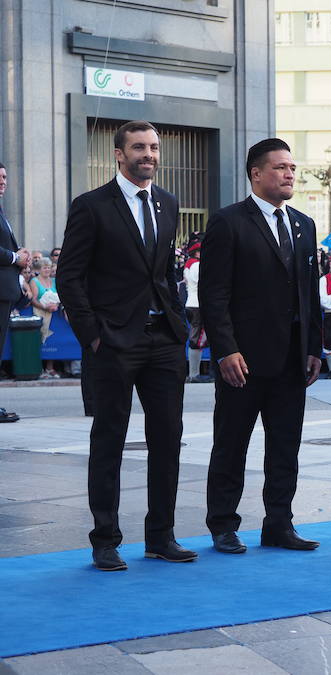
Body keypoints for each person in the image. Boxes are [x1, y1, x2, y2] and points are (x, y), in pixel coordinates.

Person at [56, 120, 194, 570]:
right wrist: (92, 336)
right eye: (139, 147)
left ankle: (161, 536)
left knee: (168, 439)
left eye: (153, 147)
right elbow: (69, 277)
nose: (149, 154)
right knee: (109, 440)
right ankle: (105, 540)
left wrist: (177, 318)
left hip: (163, 340)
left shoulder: (168, 204)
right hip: (112, 342)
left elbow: (164, 272)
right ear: (119, 154)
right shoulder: (92, 206)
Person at [200, 138, 323, 555]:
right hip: (244, 360)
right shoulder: (229, 222)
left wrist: (314, 348)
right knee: (231, 444)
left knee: (285, 447)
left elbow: (310, 293)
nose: (290, 174)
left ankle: (279, 524)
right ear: (256, 173)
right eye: (280, 167)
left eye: (292, 167)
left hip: (292, 358)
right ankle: (222, 524)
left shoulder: (304, 224)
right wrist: (225, 350)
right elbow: (213, 294)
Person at [0, 161, 30, 422]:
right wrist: (14, 257)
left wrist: (20, 257)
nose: (3, 181)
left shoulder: (2, 211)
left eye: (5, 176)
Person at [183, 241, 210, 383]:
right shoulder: (197, 265)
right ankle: (194, 374)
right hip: (197, 304)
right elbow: (205, 283)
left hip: (191, 303)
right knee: (197, 339)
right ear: (197, 253)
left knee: (197, 339)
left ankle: (194, 373)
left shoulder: (188, 265)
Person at [30, 258, 62, 378]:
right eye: (44, 267)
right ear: (39, 269)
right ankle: (39, 368)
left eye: (49, 267)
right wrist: (44, 307)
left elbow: (59, 295)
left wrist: (56, 304)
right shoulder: (34, 281)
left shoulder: (54, 281)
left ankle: (50, 368)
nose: (47, 269)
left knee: (53, 341)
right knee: (39, 340)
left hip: (54, 314)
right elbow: (33, 299)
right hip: (40, 312)